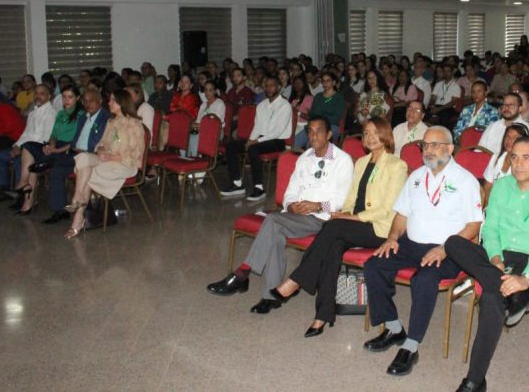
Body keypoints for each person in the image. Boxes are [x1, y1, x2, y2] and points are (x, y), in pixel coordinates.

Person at [446, 136, 529, 392]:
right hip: (501, 260)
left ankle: (473, 382)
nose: (519, 164)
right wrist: (496, 259)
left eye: (527, 158)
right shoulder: (501, 187)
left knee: (491, 296)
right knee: (453, 243)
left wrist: (526, 278)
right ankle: (515, 297)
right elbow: (490, 229)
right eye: (514, 157)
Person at [270, 118, 408, 336]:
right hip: (355, 224)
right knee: (333, 245)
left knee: (333, 228)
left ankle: (297, 280)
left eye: (374, 133)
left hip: (380, 228)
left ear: (385, 136)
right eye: (365, 133)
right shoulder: (361, 162)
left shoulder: (397, 165)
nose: (369, 137)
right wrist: (344, 213)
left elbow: (387, 209)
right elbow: (351, 199)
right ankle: (322, 315)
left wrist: (352, 218)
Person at [363, 126, 483, 376]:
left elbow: (474, 226)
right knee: (374, 265)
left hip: (448, 249)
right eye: (425, 145)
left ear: (450, 149)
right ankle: (395, 329)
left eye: (435, 145)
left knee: (424, 279)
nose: (428, 150)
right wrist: (392, 237)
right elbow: (402, 214)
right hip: (411, 244)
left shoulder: (465, 180)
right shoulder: (416, 176)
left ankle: (411, 345)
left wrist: (444, 248)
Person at [206, 116, 354, 311]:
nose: (313, 135)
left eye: (319, 131)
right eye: (310, 130)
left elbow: (344, 200)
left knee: (273, 221)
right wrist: (291, 205)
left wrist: (317, 205)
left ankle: (243, 272)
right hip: (295, 216)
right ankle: (271, 296)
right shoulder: (304, 158)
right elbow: (290, 192)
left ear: (329, 135)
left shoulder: (343, 161)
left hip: (322, 219)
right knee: (275, 229)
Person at [63, 90, 145, 239]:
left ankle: (78, 217)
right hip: (105, 159)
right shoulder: (111, 121)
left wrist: (114, 156)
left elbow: (137, 155)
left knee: (87, 173)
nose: (109, 103)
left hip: (124, 164)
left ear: (122, 103)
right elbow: (101, 143)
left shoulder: (134, 124)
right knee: (82, 158)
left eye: (113, 101)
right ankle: (78, 197)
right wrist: (100, 150)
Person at [41, 90, 110, 224]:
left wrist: (81, 150)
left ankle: (45, 163)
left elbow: (102, 143)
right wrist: (67, 148)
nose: (87, 104)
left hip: (90, 157)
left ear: (100, 101)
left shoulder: (105, 118)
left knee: (55, 164)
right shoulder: (83, 117)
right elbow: (74, 141)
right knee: (56, 170)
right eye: (85, 101)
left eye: (91, 100)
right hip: (75, 153)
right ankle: (60, 211)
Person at [13, 85, 83, 214]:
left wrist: (55, 150)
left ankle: (27, 197)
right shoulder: (61, 113)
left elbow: (76, 141)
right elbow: (53, 135)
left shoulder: (81, 115)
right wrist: (50, 145)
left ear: (77, 98)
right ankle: (24, 184)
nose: (66, 100)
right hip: (56, 147)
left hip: (70, 150)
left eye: (70, 97)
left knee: (39, 165)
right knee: (28, 146)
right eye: (64, 97)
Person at [220, 76, 292, 201]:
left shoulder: (285, 106)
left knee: (253, 149)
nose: (269, 88)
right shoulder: (262, 105)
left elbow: (277, 132)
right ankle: (237, 183)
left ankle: (259, 188)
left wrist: (254, 142)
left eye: (272, 85)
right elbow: (257, 126)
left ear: (279, 87)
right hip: (260, 139)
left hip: (278, 141)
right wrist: (250, 140)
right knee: (231, 145)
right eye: (266, 85)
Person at [483, 123, 529, 202]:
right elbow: (487, 187)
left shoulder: (526, 165)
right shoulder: (496, 157)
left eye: (515, 138)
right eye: (507, 137)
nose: (510, 141)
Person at [295, 71, 344, 147]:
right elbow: (312, 114)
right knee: (295, 142)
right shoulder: (318, 96)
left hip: (331, 127)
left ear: (333, 82)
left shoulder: (338, 97)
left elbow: (337, 117)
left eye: (328, 81)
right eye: (323, 81)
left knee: (311, 144)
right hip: (314, 125)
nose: (325, 83)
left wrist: (321, 122)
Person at [188, 81, 225, 157]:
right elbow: (198, 120)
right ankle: (187, 158)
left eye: (210, 90)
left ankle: (196, 160)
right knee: (187, 133)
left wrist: (199, 126)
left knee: (194, 136)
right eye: (206, 90)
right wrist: (193, 125)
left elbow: (215, 124)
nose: (207, 92)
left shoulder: (220, 103)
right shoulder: (203, 104)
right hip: (200, 129)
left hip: (216, 131)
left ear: (215, 91)